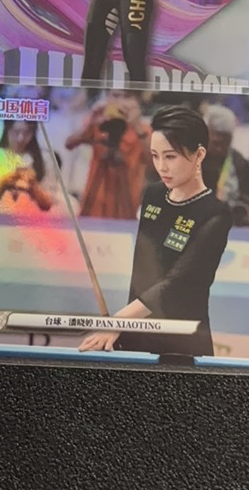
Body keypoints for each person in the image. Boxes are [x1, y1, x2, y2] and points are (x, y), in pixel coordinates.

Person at [79, 105, 231, 357]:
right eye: (155, 156)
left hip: (182, 344)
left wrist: (118, 322)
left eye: (170, 157)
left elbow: (177, 283)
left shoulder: (215, 213)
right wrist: (125, 326)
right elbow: (144, 271)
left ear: (199, 155)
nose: (161, 166)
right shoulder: (153, 195)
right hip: (134, 337)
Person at [64, 93, 150, 219]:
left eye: (126, 97)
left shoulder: (144, 130)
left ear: (137, 102)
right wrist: (92, 120)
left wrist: (136, 126)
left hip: (126, 206)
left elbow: (154, 164)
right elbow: (69, 144)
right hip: (94, 206)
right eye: (115, 96)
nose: (120, 102)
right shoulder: (98, 124)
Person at [0, 120, 55, 212]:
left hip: (31, 217)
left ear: (33, 133)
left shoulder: (45, 159)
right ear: (7, 130)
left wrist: (33, 184)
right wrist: (2, 184)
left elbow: (49, 203)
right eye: (15, 132)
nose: (20, 138)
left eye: (27, 133)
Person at [202, 104, 249, 227]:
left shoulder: (240, 162)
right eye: (216, 143)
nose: (220, 148)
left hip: (233, 221)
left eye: (226, 143)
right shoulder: (190, 160)